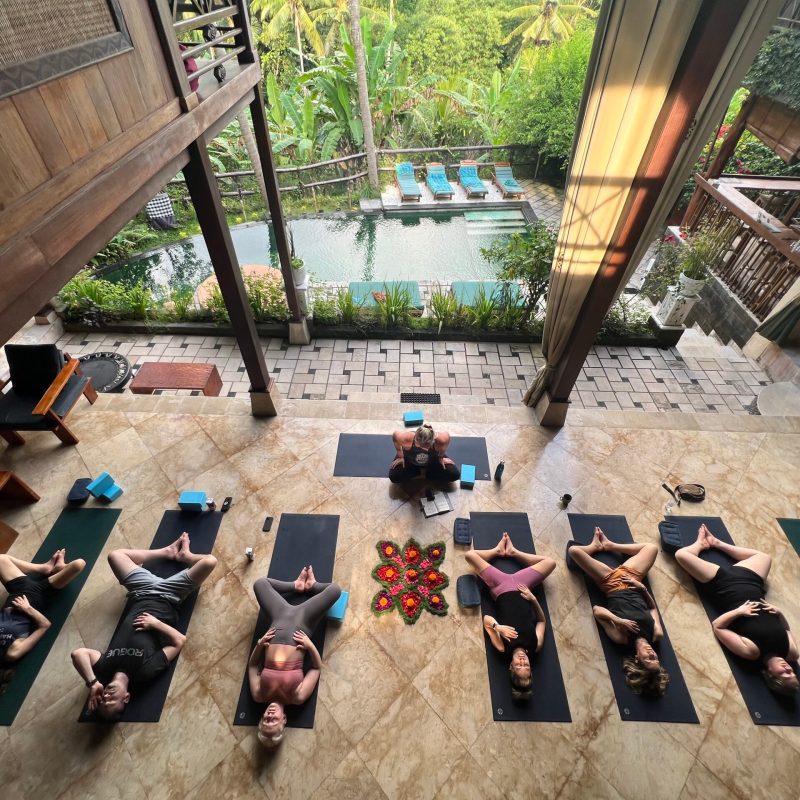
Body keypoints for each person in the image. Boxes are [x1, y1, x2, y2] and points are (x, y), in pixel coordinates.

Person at [70, 533, 217, 720]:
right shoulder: (145, 672)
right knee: (210, 561)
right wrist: (155, 624)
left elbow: (78, 654)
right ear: (126, 697)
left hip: (140, 591)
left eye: (103, 701)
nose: (106, 697)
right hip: (170, 595)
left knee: (115, 556)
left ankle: (167, 551)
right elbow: (179, 641)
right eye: (111, 701)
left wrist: (92, 683)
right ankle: (185, 556)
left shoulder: (104, 670)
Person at [675, 524, 799, 695]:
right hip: (753, 583)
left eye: (784, 674)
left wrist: (739, 612)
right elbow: (786, 629)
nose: (788, 669)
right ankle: (716, 542)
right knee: (764, 557)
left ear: (771, 675)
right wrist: (779, 612)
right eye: (792, 673)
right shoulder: (792, 653)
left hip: (723, 585)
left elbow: (718, 627)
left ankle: (700, 544)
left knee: (681, 555)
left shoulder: (752, 652)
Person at [567, 528, 669, 697]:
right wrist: (642, 588)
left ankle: (594, 547)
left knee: (574, 551)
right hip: (633, 578)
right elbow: (652, 608)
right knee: (652, 548)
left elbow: (597, 610)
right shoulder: (656, 634)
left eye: (648, 659)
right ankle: (610, 545)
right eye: (656, 658)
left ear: (637, 658)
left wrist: (618, 620)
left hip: (610, 582)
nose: (652, 654)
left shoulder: (622, 638)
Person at [248, 566, 341, 749]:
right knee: (335, 590)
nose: (269, 716)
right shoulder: (297, 697)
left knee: (260, 583)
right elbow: (316, 668)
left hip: (277, 621)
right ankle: (313, 585)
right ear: (283, 720)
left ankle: (296, 585)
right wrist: (309, 644)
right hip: (301, 623)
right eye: (273, 721)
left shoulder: (259, 695)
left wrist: (260, 644)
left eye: (265, 720)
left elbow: (252, 666)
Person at [465, 532, 556, 701]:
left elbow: (486, 620)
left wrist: (498, 627)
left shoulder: (502, 647)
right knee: (551, 562)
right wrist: (533, 599)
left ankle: (497, 551)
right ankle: (514, 552)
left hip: (500, 586)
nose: (522, 661)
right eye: (526, 666)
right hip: (522, 585)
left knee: (470, 555)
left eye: (519, 666)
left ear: (511, 667)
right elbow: (542, 621)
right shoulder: (536, 645)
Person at [0, 550, 86, 690]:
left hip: (16, 590)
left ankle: (44, 568)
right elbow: (45, 625)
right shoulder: (11, 653)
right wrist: (27, 608)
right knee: (78, 564)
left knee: (1, 559)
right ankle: (57, 569)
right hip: (39, 595)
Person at [389, 423, 460, 484]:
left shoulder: (441, 439)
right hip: (410, 462)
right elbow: (395, 435)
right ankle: (421, 473)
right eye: (421, 445)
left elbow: (447, 438)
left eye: (427, 445)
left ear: (433, 440)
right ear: (416, 439)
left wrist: (441, 457)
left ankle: (425, 474)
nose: (425, 449)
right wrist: (400, 456)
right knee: (394, 477)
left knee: (454, 475)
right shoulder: (406, 438)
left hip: (432, 462)